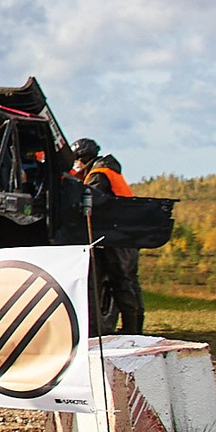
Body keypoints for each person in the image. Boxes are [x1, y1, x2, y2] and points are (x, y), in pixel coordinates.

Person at [72, 140, 144, 335]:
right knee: (129, 281)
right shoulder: (108, 170)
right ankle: (135, 328)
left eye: (77, 160)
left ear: (84, 157)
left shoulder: (98, 175)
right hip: (127, 234)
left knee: (120, 281)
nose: (76, 164)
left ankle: (131, 331)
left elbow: (89, 200)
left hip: (118, 236)